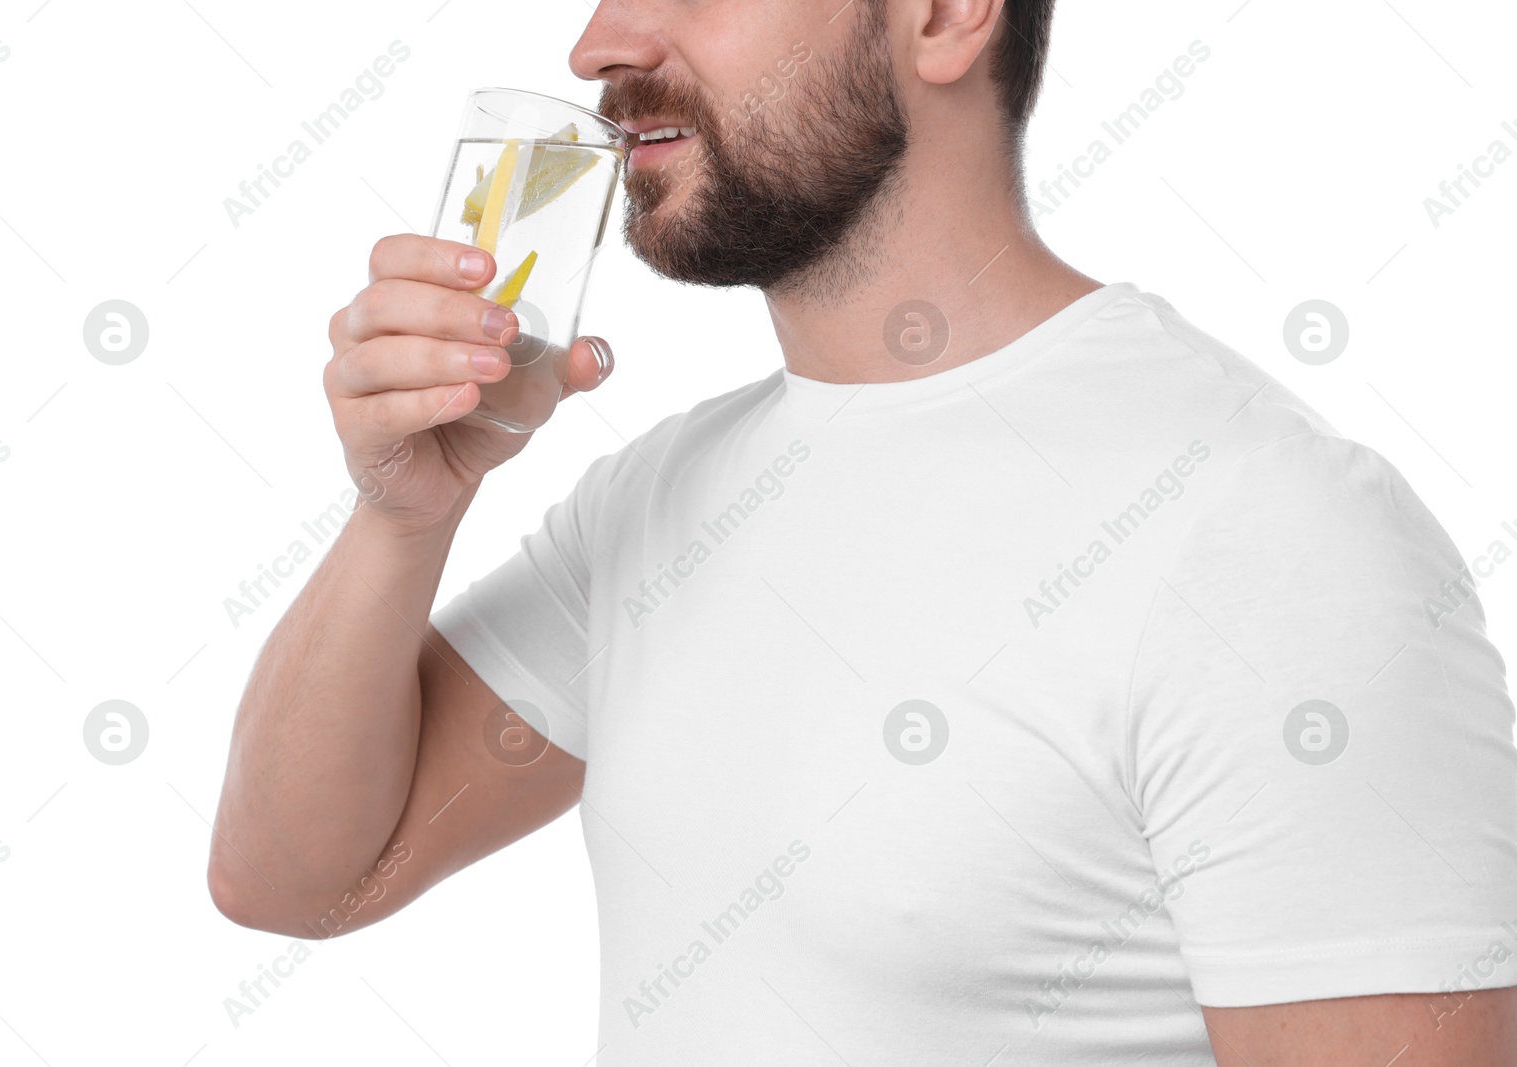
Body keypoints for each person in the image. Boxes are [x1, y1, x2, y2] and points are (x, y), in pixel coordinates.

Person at [207, 0, 1517, 1062]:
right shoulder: (663, 497)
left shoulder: (1267, 538)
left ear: (946, 18)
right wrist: (406, 513)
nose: (598, 43)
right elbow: (298, 879)